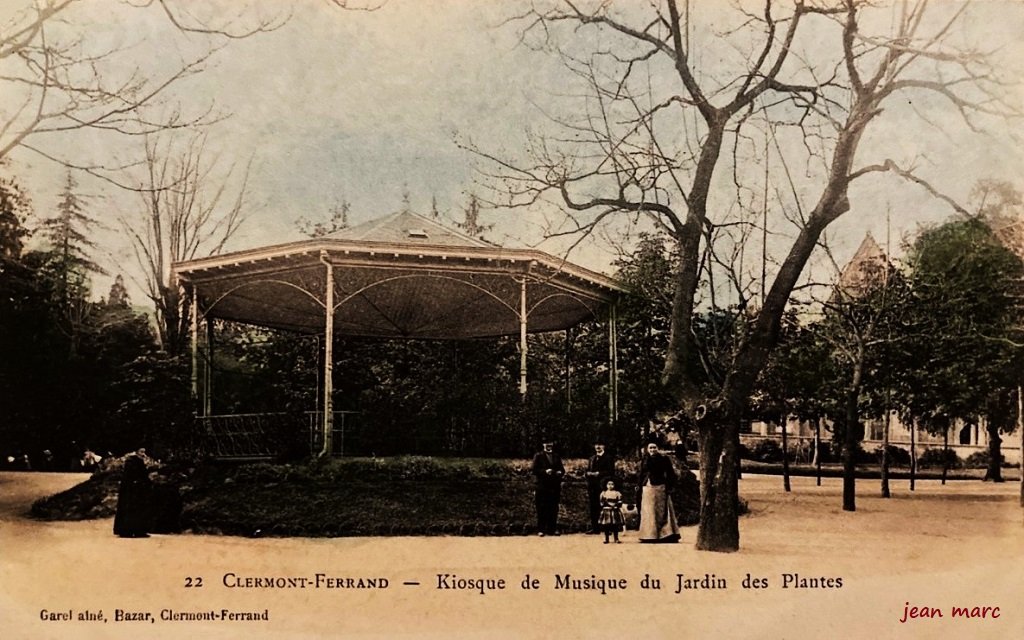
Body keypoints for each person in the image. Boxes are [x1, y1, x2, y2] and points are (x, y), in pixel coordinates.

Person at [637, 441, 680, 543]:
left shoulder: (664, 459)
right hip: (647, 486)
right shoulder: (645, 459)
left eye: (654, 447)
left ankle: (664, 534)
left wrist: (669, 486)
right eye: (650, 448)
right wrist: (639, 485)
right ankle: (649, 535)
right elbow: (641, 473)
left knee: (661, 510)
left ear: (658, 448)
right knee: (648, 510)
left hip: (660, 485)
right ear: (647, 449)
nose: (652, 450)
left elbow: (670, 473)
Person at [113, 453, 153, 538]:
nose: (143, 454)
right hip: (134, 490)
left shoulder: (133, 462)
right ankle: (134, 530)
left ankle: (133, 530)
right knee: (134, 509)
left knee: (134, 510)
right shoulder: (133, 462)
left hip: (134, 490)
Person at [531, 439, 565, 536]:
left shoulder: (556, 456)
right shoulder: (538, 456)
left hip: (554, 486)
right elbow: (534, 470)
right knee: (541, 507)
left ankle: (552, 529)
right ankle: (541, 529)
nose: (549, 445)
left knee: (553, 507)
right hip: (542, 486)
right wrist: (545, 471)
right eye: (546, 443)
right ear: (543, 444)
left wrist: (560, 472)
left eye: (550, 443)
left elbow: (562, 469)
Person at [585, 440, 616, 533]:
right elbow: (587, 471)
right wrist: (588, 474)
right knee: (593, 507)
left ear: (604, 446)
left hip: (603, 486)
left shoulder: (608, 458)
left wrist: (599, 474)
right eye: (596, 445)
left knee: (605, 506)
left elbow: (611, 472)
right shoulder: (592, 458)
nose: (598, 447)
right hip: (592, 486)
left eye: (600, 445)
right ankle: (595, 528)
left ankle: (607, 528)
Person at [597, 478, 624, 544]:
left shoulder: (617, 493)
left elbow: (620, 501)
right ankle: (606, 539)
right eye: (608, 484)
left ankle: (616, 538)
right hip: (607, 511)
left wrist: (616, 505)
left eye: (612, 484)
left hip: (614, 510)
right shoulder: (603, 493)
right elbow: (601, 502)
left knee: (615, 525)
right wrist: (607, 505)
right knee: (606, 526)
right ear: (605, 485)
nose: (610, 486)